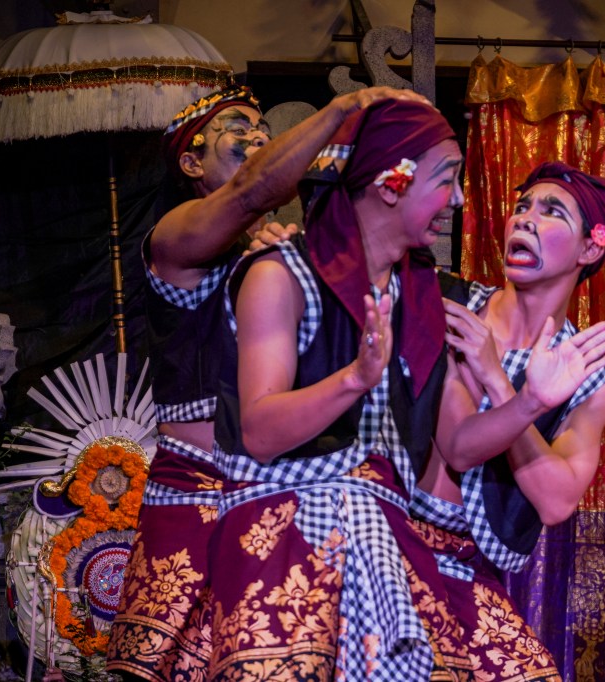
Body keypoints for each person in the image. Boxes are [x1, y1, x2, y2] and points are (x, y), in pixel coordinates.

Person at [106, 83, 430, 682]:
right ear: (190, 160)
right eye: (237, 126)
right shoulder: (173, 243)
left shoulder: (282, 260)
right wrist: (336, 110)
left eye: (262, 127)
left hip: (281, 495)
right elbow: (254, 188)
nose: (257, 135)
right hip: (197, 499)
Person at [207, 97, 481, 681]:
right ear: (392, 183)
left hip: (390, 538)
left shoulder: (432, 295)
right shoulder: (280, 277)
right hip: (285, 535)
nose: (457, 201)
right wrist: (354, 379)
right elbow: (258, 431)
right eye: (446, 180)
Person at [412, 161, 605, 681]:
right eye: (522, 207)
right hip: (393, 542)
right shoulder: (452, 306)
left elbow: (557, 498)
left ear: (591, 248)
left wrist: (504, 385)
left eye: (550, 212)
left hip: (469, 568)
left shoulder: (589, 375)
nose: (524, 219)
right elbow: (457, 448)